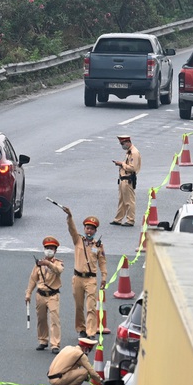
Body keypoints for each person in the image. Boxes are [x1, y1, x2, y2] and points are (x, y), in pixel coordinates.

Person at [63, 209, 107, 339]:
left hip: (91, 279)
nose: (89, 231)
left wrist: (104, 277)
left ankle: (91, 331)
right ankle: (81, 328)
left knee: (91, 306)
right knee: (79, 306)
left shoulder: (98, 246)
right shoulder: (78, 240)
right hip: (77, 278)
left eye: (92, 229)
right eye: (87, 228)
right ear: (84, 229)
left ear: (95, 231)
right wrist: (70, 217)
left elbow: (102, 262)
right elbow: (71, 230)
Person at [25, 236, 64, 354]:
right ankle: (43, 340)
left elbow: (59, 271)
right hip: (40, 295)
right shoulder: (38, 264)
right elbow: (32, 279)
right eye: (47, 248)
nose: (49, 250)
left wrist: (48, 263)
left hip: (53, 295)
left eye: (51, 248)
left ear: (55, 250)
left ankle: (55, 344)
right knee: (41, 319)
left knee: (54, 320)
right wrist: (28, 294)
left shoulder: (58, 263)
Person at [111, 134, 142, 227]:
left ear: (128, 142)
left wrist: (122, 164)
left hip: (128, 179)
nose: (122, 146)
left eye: (123, 144)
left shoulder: (134, 153)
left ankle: (130, 220)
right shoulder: (129, 152)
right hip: (123, 179)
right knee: (122, 201)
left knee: (129, 201)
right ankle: (118, 219)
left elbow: (133, 168)